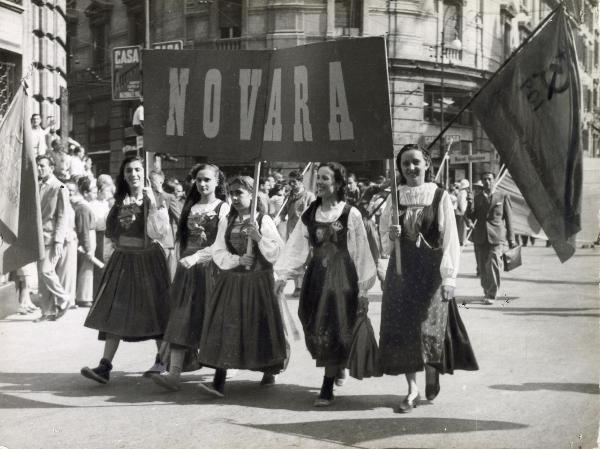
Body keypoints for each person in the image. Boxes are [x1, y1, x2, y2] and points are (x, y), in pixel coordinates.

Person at [275, 162, 376, 407]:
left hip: (342, 280)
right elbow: (297, 245)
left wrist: (363, 288)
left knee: (335, 325)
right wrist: (283, 275)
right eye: (318, 178)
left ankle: (327, 384)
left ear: (338, 183)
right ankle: (336, 365)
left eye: (325, 178)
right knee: (314, 325)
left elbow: (361, 251)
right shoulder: (310, 213)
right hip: (316, 280)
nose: (319, 182)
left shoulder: (350, 213)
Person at [378, 144, 461, 413]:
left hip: (431, 272)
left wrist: (449, 278)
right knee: (404, 331)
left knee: (427, 328)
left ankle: (431, 368)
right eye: (405, 164)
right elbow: (384, 243)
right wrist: (391, 235)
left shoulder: (440, 196)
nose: (411, 168)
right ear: (399, 169)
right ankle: (412, 389)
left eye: (416, 162)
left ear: (426, 163)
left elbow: (450, 239)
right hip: (402, 273)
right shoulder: (395, 197)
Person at [80, 155, 171, 384]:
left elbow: (160, 232)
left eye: (138, 170)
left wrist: (153, 205)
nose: (133, 175)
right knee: (115, 313)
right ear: (124, 175)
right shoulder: (120, 200)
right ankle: (105, 366)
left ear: (145, 173)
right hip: (123, 260)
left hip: (148, 260)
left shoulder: (156, 198)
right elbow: (109, 230)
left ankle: (162, 359)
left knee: (156, 310)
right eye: (129, 170)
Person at [197, 176, 287, 397]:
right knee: (225, 325)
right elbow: (218, 249)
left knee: (259, 325)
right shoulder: (226, 220)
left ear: (252, 195)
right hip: (232, 280)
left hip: (258, 281)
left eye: (240, 193)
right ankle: (218, 380)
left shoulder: (262, 220)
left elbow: (277, 250)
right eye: (232, 193)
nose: (235, 198)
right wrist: (238, 260)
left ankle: (269, 369)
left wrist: (258, 239)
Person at [150, 164, 230, 391]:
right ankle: (173, 374)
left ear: (216, 182)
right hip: (187, 272)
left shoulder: (223, 208)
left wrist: (198, 258)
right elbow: (180, 241)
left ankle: (219, 375)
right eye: (198, 180)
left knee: (212, 320)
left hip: (212, 269)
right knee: (180, 318)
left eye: (207, 180)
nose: (202, 184)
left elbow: (221, 244)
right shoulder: (190, 207)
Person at [466, 172, 515, 305]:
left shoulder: (503, 196)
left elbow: (509, 219)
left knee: (493, 264)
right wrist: (469, 203)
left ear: (494, 180)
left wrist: (512, 239)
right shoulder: (477, 198)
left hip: (496, 237)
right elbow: (469, 216)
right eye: (484, 179)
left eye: (489, 179)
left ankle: (492, 294)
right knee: (482, 267)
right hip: (480, 236)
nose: (487, 181)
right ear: (482, 181)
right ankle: (487, 291)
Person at [34, 155, 72, 322]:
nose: (40, 169)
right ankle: (47, 311)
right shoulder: (38, 185)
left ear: (51, 167)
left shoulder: (60, 187)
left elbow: (63, 216)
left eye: (43, 166)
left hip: (52, 237)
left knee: (46, 271)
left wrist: (58, 240)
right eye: (38, 166)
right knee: (41, 276)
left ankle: (64, 298)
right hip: (39, 238)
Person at [65, 177, 96, 308]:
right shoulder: (83, 207)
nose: (94, 194)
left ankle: (84, 295)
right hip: (87, 238)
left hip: (89, 237)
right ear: (86, 192)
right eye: (93, 191)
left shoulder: (82, 205)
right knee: (86, 268)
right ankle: (83, 296)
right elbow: (83, 230)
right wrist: (88, 247)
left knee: (87, 268)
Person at [149, 169, 181, 280]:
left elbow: (180, 219)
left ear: (161, 182)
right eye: (149, 181)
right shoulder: (146, 197)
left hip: (166, 245)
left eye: (153, 181)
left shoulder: (169, 197)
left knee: (167, 278)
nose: (150, 184)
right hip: (149, 243)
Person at [455, 180, 469, 246]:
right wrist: (464, 211)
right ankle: (463, 240)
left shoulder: (460, 192)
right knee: (463, 227)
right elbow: (462, 202)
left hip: (459, 212)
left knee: (460, 227)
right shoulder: (464, 193)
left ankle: (460, 240)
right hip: (462, 212)